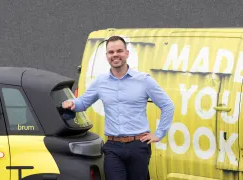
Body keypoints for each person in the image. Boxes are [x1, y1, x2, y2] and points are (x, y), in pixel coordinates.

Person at [62, 36, 175, 180]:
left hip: (138, 146)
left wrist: (159, 134)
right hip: (113, 147)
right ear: (107, 56)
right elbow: (83, 103)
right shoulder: (101, 82)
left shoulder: (144, 80)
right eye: (111, 52)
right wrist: (71, 103)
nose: (115, 55)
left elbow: (167, 105)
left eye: (119, 51)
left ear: (127, 53)